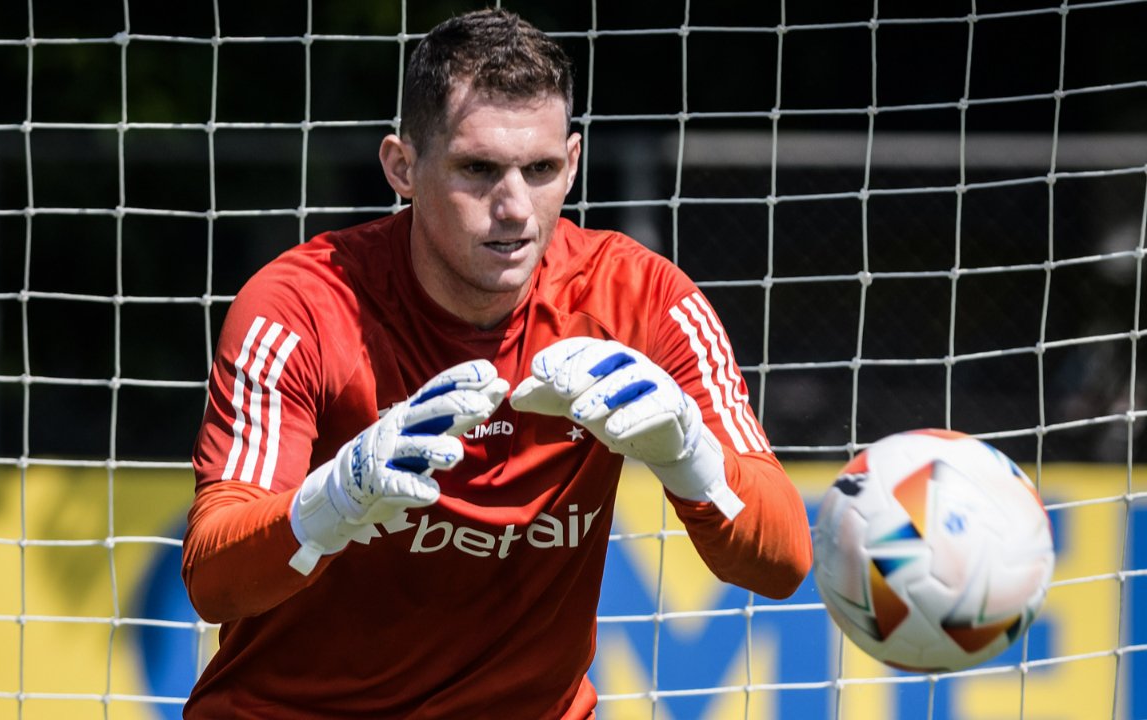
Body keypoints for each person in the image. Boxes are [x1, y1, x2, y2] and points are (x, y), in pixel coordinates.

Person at [181, 8, 812, 719]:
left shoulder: (643, 300)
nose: (514, 208)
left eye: (540, 170)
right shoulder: (300, 306)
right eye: (478, 169)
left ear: (572, 163)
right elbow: (213, 580)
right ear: (402, 167)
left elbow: (784, 561)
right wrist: (334, 502)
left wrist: (690, 455)